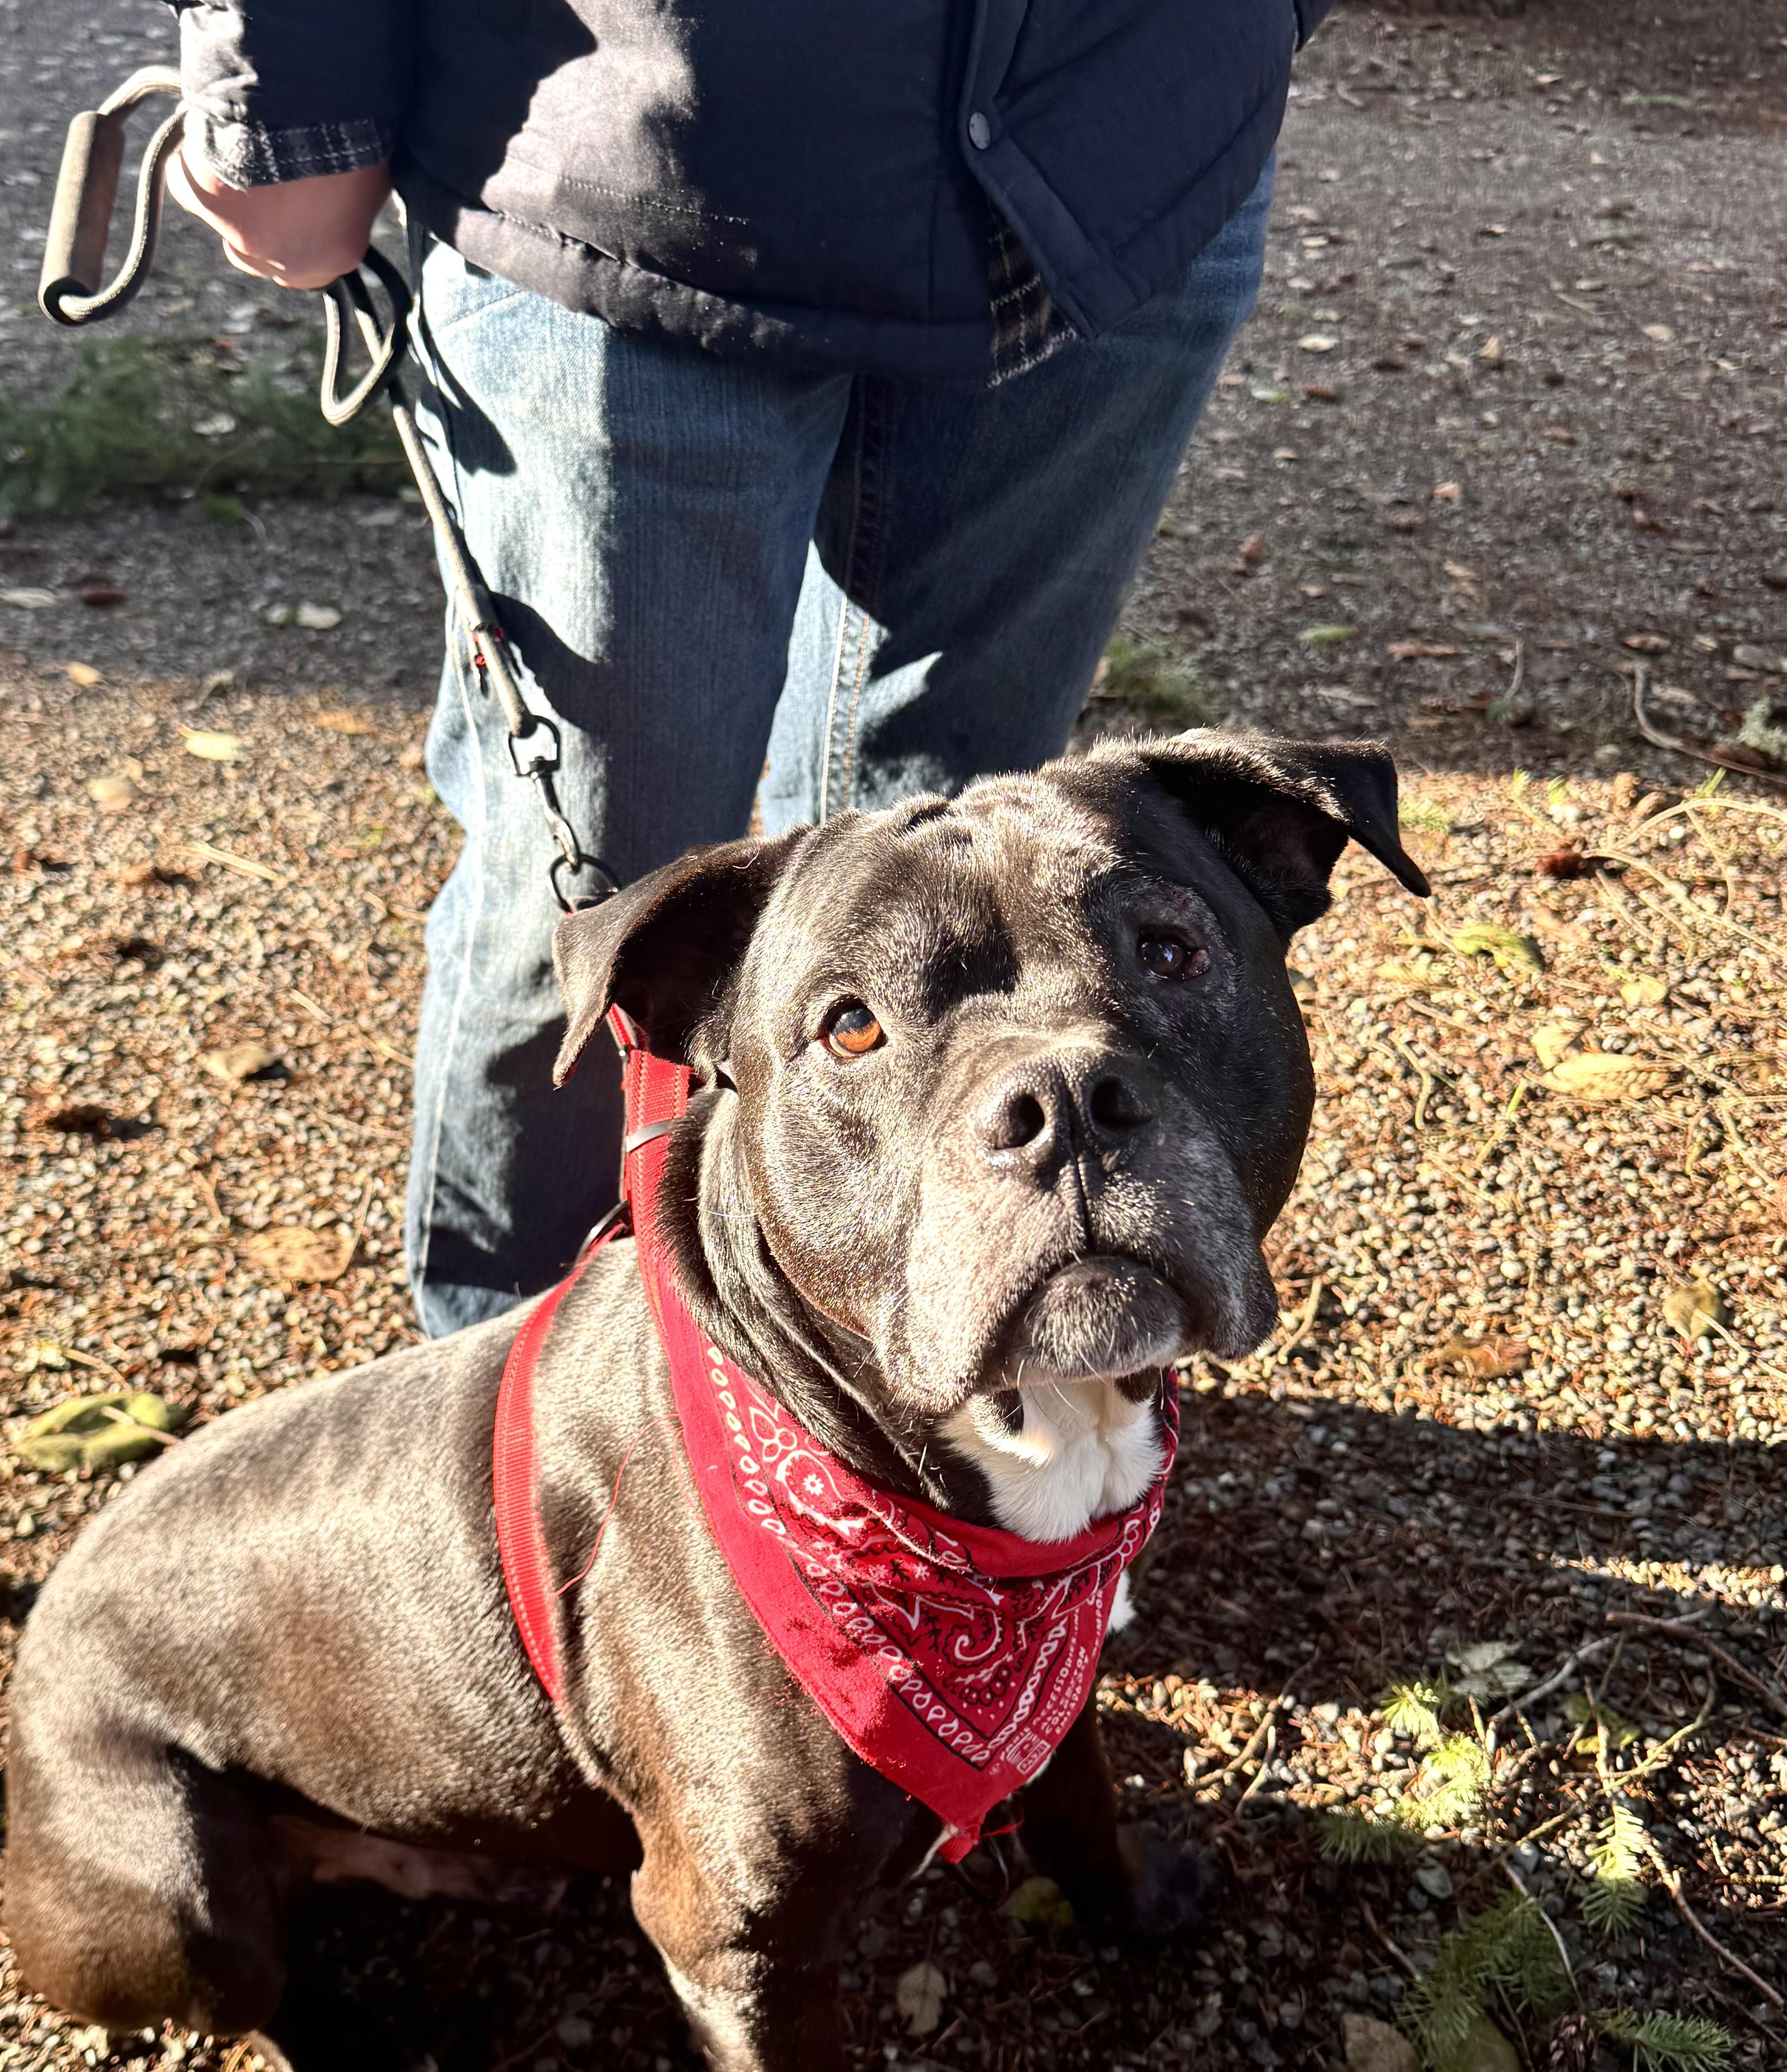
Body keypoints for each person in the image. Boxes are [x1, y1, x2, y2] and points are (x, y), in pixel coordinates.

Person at [162, 1, 1334, 1338]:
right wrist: (284, 104)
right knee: (602, 911)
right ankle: (522, 1411)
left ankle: (982, 1382)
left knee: (982, 866)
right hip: (626, 174)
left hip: (1123, 152)